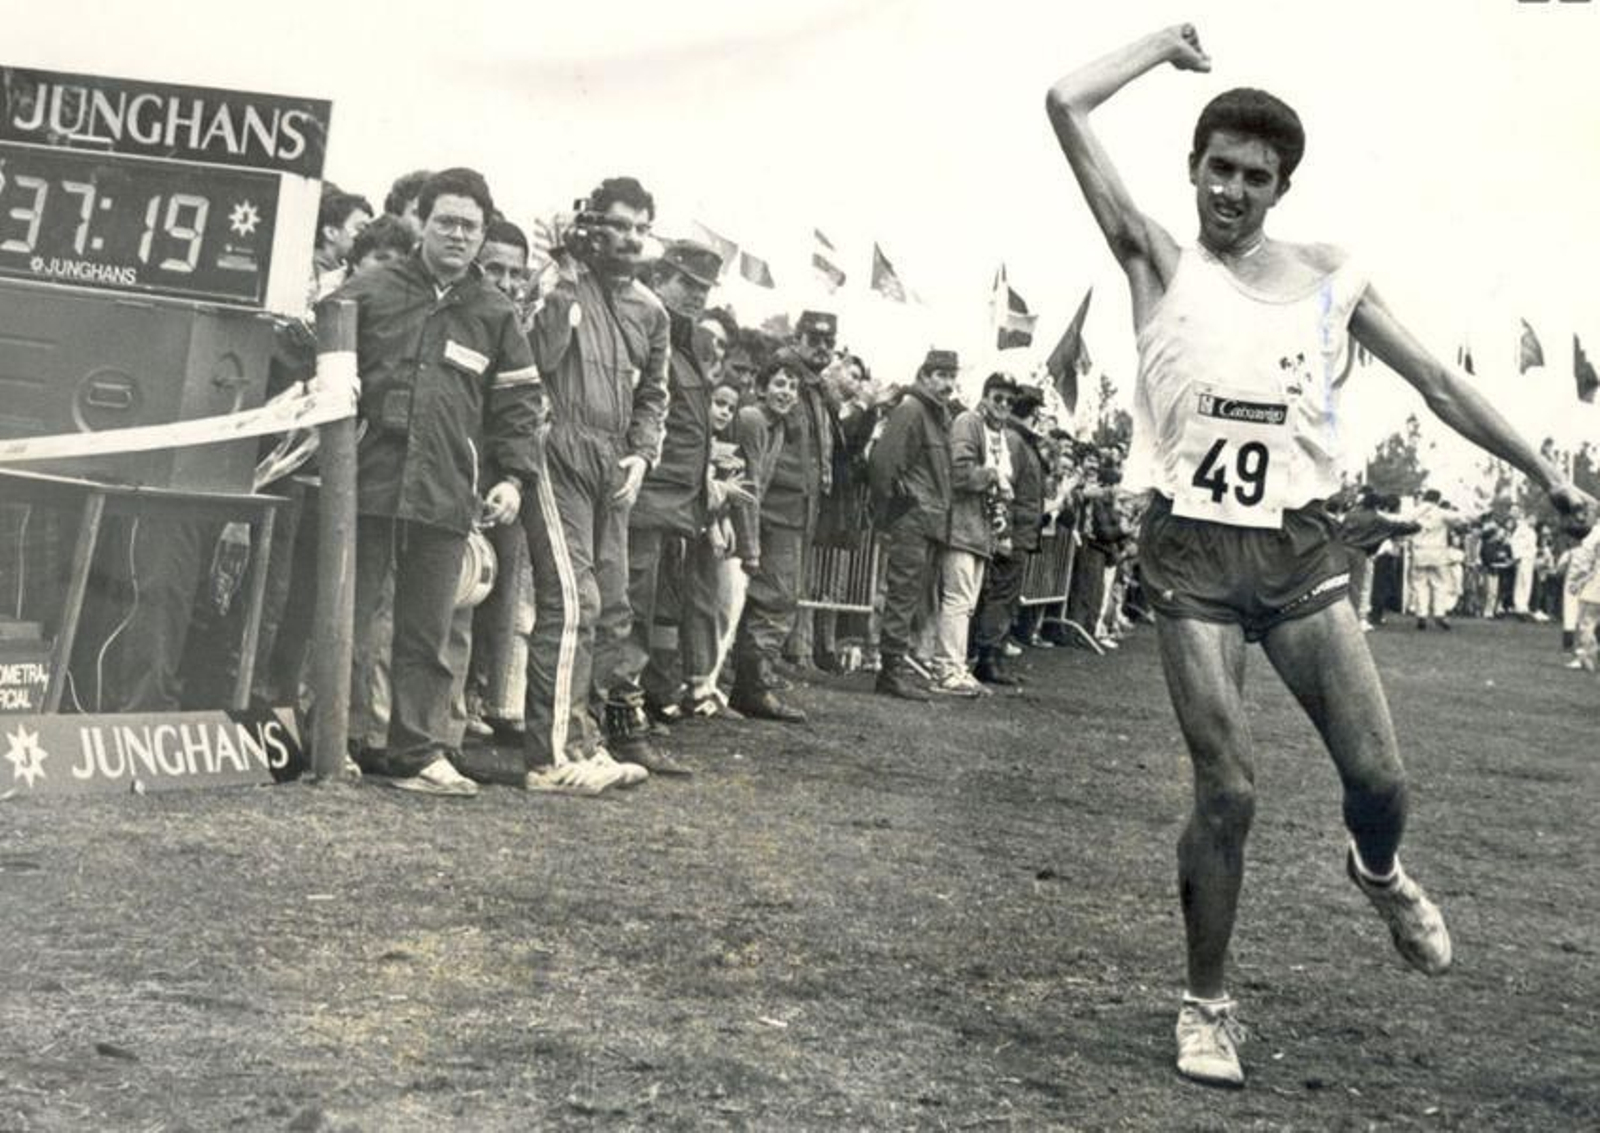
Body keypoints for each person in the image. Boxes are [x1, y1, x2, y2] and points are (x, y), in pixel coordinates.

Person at [1046, 24, 1595, 1087]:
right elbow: (1065, 102)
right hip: (1193, 556)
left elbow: (1438, 382)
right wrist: (1161, 46)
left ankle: (1377, 871)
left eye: (1254, 178)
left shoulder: (1329, 276)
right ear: (1192, 169)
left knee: (1381, 778)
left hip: (1298, 553)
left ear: (1281, 188)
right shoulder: (1154, 257)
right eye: (1218, 170)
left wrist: (1542, 469)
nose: (1232, 192)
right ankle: (1206, 1006)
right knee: (1228, 789)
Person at [333, 167, 541, 798]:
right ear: (421, 223)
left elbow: (518, 407)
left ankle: (417, 752)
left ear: (483, 234)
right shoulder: (368, 291)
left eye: (470, 226)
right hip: (365, 483)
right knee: (346, 618)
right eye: (446, 221)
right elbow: (318, 369)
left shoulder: (496, 314)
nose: (457, 235)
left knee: (429, 632)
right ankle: (333, 742)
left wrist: (513, 478)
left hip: (448, 490)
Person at [520, 176, 670, 794]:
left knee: (610, 609)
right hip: (559, 450)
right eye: (619, 225)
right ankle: (550, 755)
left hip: (614, 465)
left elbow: (655, 394)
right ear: (592, 225)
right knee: (571, 601)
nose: (631, 238)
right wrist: (562, 277)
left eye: (641, 228)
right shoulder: (559, 282)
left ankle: (585, 740)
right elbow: (539, 355)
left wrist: (642, 455)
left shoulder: (651, 310)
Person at [609, 238, 727, 772]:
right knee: (627, 611)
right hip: (645, 497)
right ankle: (617, 724)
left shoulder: (686, 342)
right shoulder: (644, 327)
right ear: (659, 278)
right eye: (688, 284)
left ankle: (630, 711)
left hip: (674, 504)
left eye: (704, 288)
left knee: (651, 612)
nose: (698, 296)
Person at [867, 349, 962, 701]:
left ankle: (895, 664)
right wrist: (897, 508)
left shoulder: (937, 415)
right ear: (924, 375)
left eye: (952, 376)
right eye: (941, 375)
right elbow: (883, 464)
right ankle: (890, 670)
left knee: (912, 595)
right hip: (914, 519)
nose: (948, 384)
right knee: (903, 593)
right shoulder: (912, 410)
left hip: (928, 520)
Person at [1406, 489, 1459, 630]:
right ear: (1438, 500)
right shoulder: (1441, 513)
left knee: (1419, 584)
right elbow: (1460, 518)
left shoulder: (1416, 512)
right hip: (1438, 552)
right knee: (1440, 584)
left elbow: (1402, 521)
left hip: (1419, 551)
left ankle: (1421, 614)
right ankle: (1439, 613)